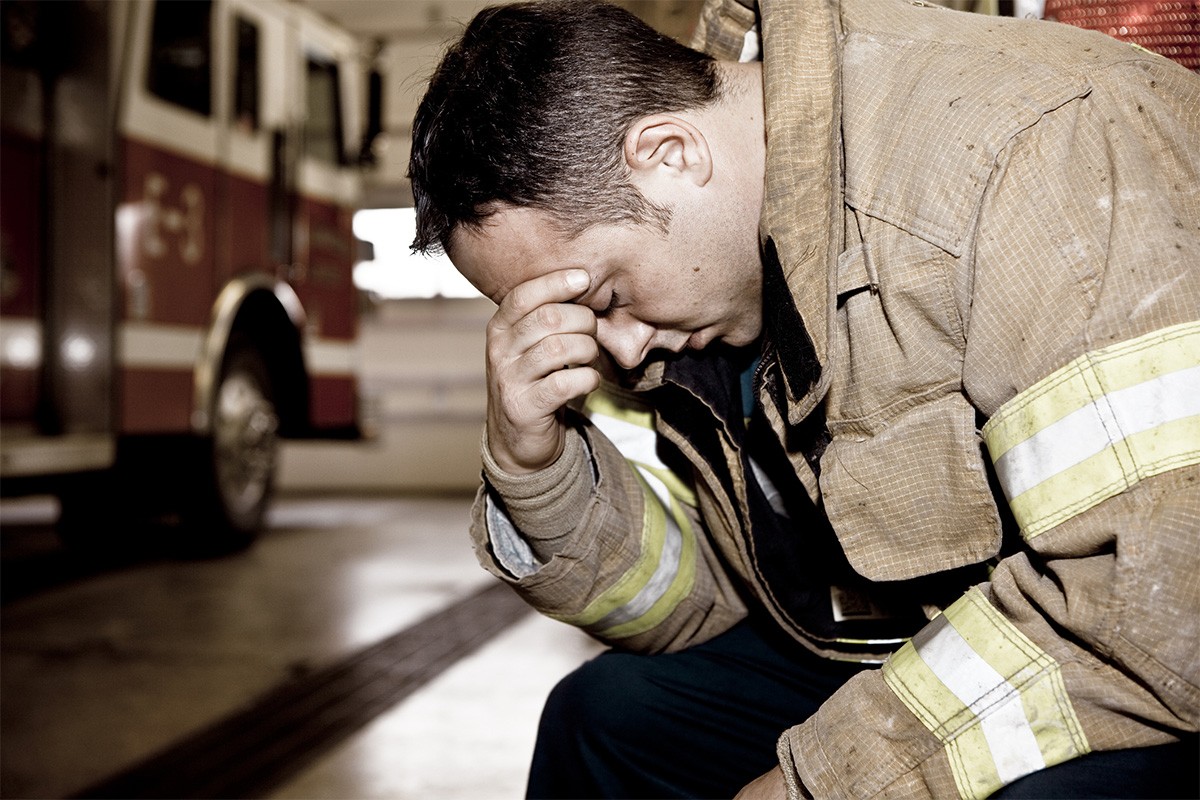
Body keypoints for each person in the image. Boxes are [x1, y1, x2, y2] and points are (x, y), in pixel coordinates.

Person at [408, 0, 1200, 797]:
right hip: (929, 639)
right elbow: (705, 607)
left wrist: (822, 780)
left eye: (607, 295)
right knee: (605, 717)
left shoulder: (1029, 149)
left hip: (1144, 653)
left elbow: (1153, 619)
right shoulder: (717, 287)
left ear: (671, 153)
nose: (619, 350)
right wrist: (535, 468)